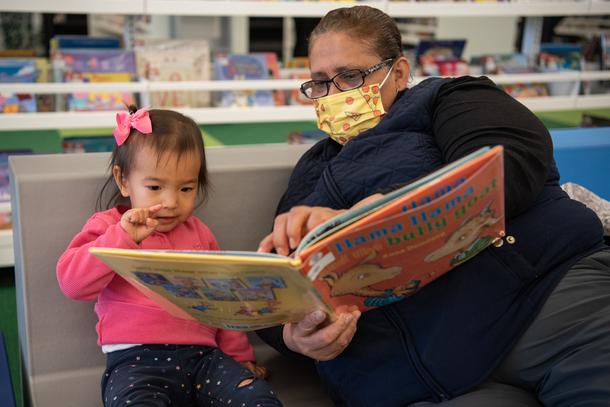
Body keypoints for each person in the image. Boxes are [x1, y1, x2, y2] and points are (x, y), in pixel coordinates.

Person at [257, 6, 610, 407]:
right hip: (415, 378)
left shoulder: (449, 98)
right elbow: (281, 282)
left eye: (350, 76)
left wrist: (372, 216)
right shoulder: (309, 173)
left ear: (401, 73)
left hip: (543, 304)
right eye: (319, 82)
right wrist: (296, 336)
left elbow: (505, 165)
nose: (334, 95)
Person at [57, 106, 282, 407]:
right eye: (154, 187)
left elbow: (223, 303)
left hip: (206, 358)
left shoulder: (200, 234)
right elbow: (72, 284)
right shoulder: (108, 227)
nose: (171, 202)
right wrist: (122, 237)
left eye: (186, 188)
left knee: (259, 398)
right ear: (123, 181)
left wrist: (240, 358)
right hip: (136, 362)